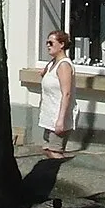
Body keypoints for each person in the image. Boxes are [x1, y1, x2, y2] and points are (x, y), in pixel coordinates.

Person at [38, 29, 76, 158]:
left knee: (55, 152)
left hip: (58, 116)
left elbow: (66, 93)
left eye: (51, 42)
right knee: (48, 150)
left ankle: (62, 175)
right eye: (47, 43)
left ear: (62, 45)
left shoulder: (64, 65)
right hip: (48, 116)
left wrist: (61, 120)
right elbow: (46, 75)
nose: (48, 45)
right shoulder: (52, 63)